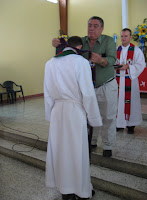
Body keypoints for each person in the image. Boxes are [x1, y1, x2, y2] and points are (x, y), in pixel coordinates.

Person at [44, 36, 102, 200]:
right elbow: (88, 95)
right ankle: (82, 191)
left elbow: (47, 94)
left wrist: (50, 115)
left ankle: (66, 191)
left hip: (57, 112)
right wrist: (93, 118)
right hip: (74, 112)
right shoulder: (80, 62)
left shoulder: (50, 63)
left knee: (61, 151)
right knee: (78, 151)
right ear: (79, 46)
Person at [52, 16, 118, 158]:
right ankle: (92, 141)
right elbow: (67, 51)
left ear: (102, 28)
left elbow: (113, 59)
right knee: (88, 115)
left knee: (108, 116)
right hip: (87, 87)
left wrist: (101, 60)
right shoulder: (82, 41)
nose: (91, 28)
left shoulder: (108, 41)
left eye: (95, 26)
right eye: (89, 25)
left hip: (106, 85)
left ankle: (107, 145)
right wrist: (57, 44)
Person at [115, 28, 146, 134]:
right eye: (122, 36)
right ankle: (119, 123)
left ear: (130, 37)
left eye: (126, 36)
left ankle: (131, 125)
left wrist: (128, 66)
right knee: (118, 102)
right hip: (118, 79)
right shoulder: (116, 50)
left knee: (131, 102)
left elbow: (141, 64)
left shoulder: (136, 50)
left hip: (130, 80)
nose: (123, 38)